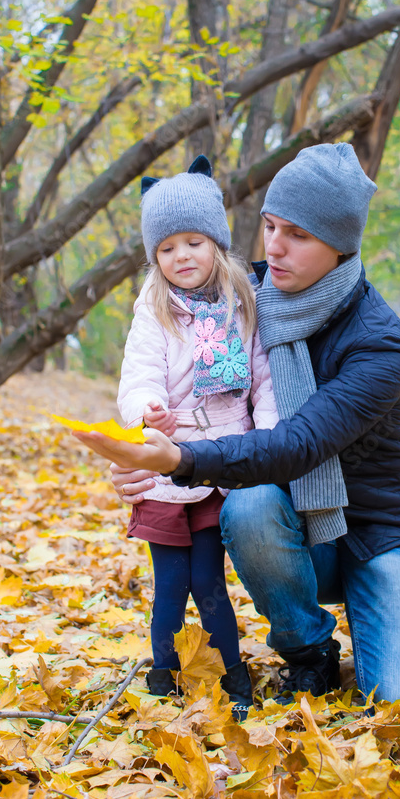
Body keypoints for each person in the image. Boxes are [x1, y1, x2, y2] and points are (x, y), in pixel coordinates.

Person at [75, 144, 400, 707]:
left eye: (297, 235)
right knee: (248, 506)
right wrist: (135, 453)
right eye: (271, 226)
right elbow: (161, 366)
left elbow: (297, 443)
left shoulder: (379, 341)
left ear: (341, 244)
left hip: (380, 534)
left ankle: (384, 601)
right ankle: (308, 650)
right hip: (291, 529)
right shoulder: (235, 298)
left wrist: (178, 461)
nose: (273, 246)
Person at [115, 154, 277, 718]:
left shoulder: (243, 301)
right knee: (170, 584)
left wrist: (274, 437)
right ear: (154, 257)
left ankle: (231, 673)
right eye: (167, 248)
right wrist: (147, 410)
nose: (181, 256)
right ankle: (163, 671)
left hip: (220, 466)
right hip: (168, 461)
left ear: (216, 243)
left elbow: (262, 377)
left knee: (210, 580)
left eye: (193, 242)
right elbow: (138, 374)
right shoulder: (153, 309)